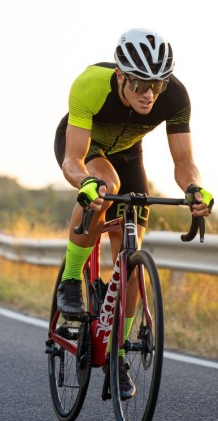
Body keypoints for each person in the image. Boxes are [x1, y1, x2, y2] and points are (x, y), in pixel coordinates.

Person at [54, 28, 214, 398]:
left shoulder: (174, 96)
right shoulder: (91, 83)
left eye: (157, 85)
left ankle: (116, 353)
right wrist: (85, 182)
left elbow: (184, 162)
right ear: (121, 76)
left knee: (131, 256)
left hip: (129, 155)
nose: (149, 95)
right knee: (103, 187)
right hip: (84, 145)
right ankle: (71, 278)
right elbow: (72, 160)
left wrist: (194, 189)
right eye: (141, 84)